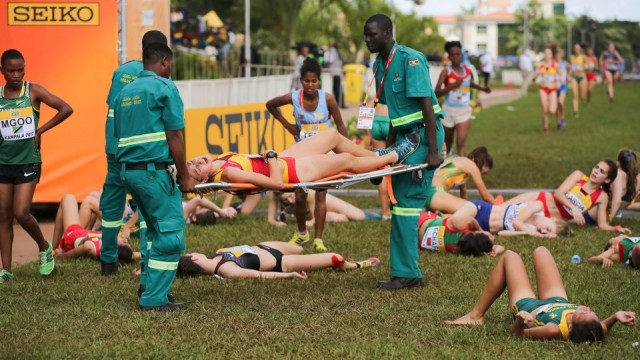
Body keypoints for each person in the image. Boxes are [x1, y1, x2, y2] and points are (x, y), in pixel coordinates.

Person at [364, 14, 445, 290]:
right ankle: (405, 272)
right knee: (399, 205)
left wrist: (433, 151)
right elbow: (391, 115)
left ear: (387, 33)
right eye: (366, 35)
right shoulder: (379, 64)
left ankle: (408, 274)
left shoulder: (411, 59)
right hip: (402, 139)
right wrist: (385, 154)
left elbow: (427, 107)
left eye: (372, 35)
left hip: (422, 135)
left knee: (408, 205)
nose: (367, 40)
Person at [114, 43, 196, 311]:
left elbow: (118, 133)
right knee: (171, 236)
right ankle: (154, 299)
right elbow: (175, 135)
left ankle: (150, 287)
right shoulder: (165, 88)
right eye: (170, 65)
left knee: (154, 230)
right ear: (163, 61)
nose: (170, 70)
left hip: (128, 173)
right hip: (153, 173)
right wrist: (184, 175)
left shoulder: (124, 92)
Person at [444, 247, 637, 343]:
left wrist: (520, 320)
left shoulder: (553, 330)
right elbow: (601, 329)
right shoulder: (592, 327)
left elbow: (517, 334)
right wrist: (615, 317)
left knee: (510, 257)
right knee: (541, 250)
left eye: (583, 313)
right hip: (558, 301)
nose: (586, 308)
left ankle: (475, 316)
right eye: (591, 311)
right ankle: (475, 316)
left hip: (529, 307)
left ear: (570, 326)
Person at [0, 49, 73, 283]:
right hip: (3, 162)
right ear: (2, 71)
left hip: (28, 160)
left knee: (21, 212)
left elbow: (66, 108)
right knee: (3, 214)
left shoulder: (33, 91)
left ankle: (44, 248)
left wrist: (40, 130)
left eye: (20, 69)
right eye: (10, 70)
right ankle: (6, 270)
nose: (16, 74)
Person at [100, 30, 167, 279]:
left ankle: (108, 261)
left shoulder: (122, 72)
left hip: (114, 148)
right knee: (148, 208)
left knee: (112, 206)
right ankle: (148, 263)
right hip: (142, 153)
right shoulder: (157, 78)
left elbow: (112, 109)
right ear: (164, 54)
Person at [266, 58, 348, 252]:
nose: (310, 85)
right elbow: (270, 104)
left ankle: (319, 239)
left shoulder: (327, 99)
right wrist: (287, 125)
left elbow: (341, 125)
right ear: (301, 81)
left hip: (324, 156)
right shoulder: (294, 98)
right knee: (300, 198)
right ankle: (302, 233)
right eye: (306, 81)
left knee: (321, 195)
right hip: (302, 156)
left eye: (314, 81)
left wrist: (346, 148)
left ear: (319, 81)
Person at [188, 128, 418, 189]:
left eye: (192, 161)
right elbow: (277, 184)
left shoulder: (221, 159)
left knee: (332, 136)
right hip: (293, 172)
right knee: (346, 160)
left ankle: (375, 156)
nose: (197, 163)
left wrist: (272, 158)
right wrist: (269, 156)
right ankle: (394, 155)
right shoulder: (228, 173)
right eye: (195, 169)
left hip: (284, 159)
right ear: (202, 181)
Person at [504, 160, 631, 234]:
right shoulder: (579, 176)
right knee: (500, 208)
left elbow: (602, 224)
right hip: (540, 200)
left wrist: (617, 228)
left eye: (602, 171)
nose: (596, 171)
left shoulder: (601, 197)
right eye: (596, 167)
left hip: (547, 217)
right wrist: (573, 208)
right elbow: (558, 193)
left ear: (607, 179)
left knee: (506, 223)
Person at [176, 241, 380, 279]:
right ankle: (354, 265)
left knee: (300, 246)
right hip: (281, 264)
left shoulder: (215, 257)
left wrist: (148, 268)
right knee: (337, 258)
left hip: (267, 246)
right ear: (195, 259)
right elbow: (260, 275)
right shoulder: (226, 270)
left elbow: (174, 259)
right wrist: (289, 275)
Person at [436, 41, 491, 157]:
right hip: (448, 111)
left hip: (464, 110)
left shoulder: (467, 70)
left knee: (461, 142)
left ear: (461, 55)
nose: (456, 57)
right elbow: (436, 92)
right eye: (452, 55)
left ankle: (462, 170)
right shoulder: (446, 71)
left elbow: (469, 83)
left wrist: (483, 88)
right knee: (448, 143)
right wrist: (452, 86)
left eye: (458, 54)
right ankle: (446, 164)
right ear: (449, 57)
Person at [51, 194, 140, 264]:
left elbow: (87, 247)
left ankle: (52, 250)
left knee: (68, 198)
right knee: (91, 201)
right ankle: (54, 249)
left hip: (74, 235)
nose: (126, 241)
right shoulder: (126, 254)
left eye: (124, 243)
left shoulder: (96, 249)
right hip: (86, 234)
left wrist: (62, 256)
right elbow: (136, 255)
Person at [424, 146, 496, 215]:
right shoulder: (471, 165)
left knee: (461, 214)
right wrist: (499, 208)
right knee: (473, 208)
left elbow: (463, 193)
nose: (482, 172)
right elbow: (485, 196)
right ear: (481, 160)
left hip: (429, 195)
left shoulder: (460, 162)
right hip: (436, 193)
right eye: (485, 166)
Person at [454, 199, 564, 238]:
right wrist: (537, 235)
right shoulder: (538, 207)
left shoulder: (532, 230)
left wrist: (525, 233)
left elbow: (501, 234)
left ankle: (439, 216)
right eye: (548, 229)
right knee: (451, 222)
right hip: (480, 209)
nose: (543, 231)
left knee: (453, 231)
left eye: (545, 233)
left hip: (482, 227)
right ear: (553, 219)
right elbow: (517, 222)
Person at [269, 190, 378, 227]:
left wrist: (307, 224)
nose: (291, 201)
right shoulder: (275, 194)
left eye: (291, 196)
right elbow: (270, 219)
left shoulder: (308, 193)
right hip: (313, 214)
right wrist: (276, 223)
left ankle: (371, 217)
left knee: (360, 216)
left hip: (324, 203)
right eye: (287, 200)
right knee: (339, 219)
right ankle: (339, 217)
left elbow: (314, 220)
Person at [417, 212, 504, 257]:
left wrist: (480, 229)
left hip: (420, 222)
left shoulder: (458, 224)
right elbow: (501, 248)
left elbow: (471, 220)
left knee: (446, 217)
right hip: (417, 244)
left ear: (478, 232)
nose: (493, 237)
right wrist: (494, 250)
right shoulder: (460, 250)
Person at [367, 103, 392, 220]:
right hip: (390, 120)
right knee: (397, 165)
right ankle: (396, 207)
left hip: (375, 122)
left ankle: (385, 212)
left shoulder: (377, 93)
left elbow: (366, 109)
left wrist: (369, 136)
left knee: (381, 168)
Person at [532, 48, 559, 135]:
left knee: (552, 110)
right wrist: (536, 74)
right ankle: (546, 128)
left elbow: (561, 75)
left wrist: (559, 82)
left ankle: (558, 116)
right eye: (546, 53)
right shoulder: (540, 65)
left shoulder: (555, 65)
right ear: (544, 55)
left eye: (549, 53)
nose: (547, 55)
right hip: (543, 88)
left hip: (552, 89)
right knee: (545, 109)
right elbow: (533, 79)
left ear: (551, 55)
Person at [609, 149, 640, 221]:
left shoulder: (617, 175)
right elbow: (634, 195)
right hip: (628, 203)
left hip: (620, 205)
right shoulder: (638, 176)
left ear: (618, 163)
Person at [569, 44, 587, 119]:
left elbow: (588, 65)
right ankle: (575, 112)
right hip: (574, 77)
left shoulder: (583, 57)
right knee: (574, 95)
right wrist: (569, 75)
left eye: (578, 48)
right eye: (575, 48)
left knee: (582, 97)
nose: (576, 49)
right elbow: (570, 67)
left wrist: (584, 67)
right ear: (574, 49)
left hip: (582, 77)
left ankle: (582, 96)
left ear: (580, 49)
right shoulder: (571, 57)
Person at [325, 43, 344, 108]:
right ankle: (340, 103)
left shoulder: (333, 52)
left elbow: (330, 60)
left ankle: (339, 103)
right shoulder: (337, 53)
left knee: (336, 89)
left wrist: (327, 65)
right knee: (338, 88)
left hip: (335, 73)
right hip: (338, 73)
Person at [554, 48, 568, 129]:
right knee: (556, 106)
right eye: (557, 53)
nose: (558, 55)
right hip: (554, 87)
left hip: (563, 86)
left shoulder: (564, 63)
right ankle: (558, 122)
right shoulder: (553, 63)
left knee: (560, 102)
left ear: (562, 55)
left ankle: (562, 117)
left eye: (560, 53)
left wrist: (568, 77)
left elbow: (567, 71)